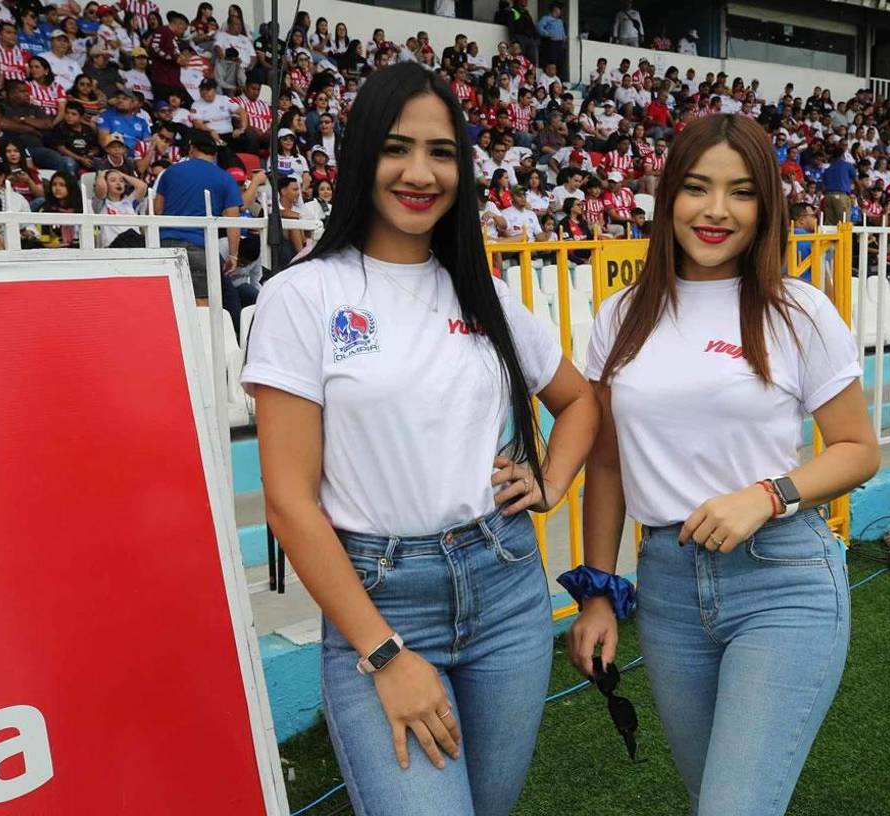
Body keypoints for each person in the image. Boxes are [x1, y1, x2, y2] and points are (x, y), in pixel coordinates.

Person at [240, 63, 598, 816]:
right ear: (361, 155)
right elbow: (290, 502)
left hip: (506, 587)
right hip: (383, 599)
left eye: (441, 152)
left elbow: (580, 403)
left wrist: (551, 481)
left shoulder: (482, 292)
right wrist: (383, 653)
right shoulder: (302, 296)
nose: (419, 172)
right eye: (396, 147)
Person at [566, 113, 879, 816]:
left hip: (782, 580)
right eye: (697, 189)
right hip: (669, 591)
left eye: (739, 192)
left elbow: (859, 449)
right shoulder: (620, 316)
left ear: (764, 205)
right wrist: (598, 592)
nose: (715, 211)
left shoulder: (799, 311)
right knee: (714, 797)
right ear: (667, 195)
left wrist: (768, 495)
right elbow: (608, 467)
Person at [153, 132, 244, 327]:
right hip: (200, 247)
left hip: (165, 243)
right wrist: (233, 255)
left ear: (192, 149)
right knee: (202, 303)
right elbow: (233, 221)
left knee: (167, 303)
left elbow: (157, 210)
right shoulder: (225, 178)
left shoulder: (171, 172)